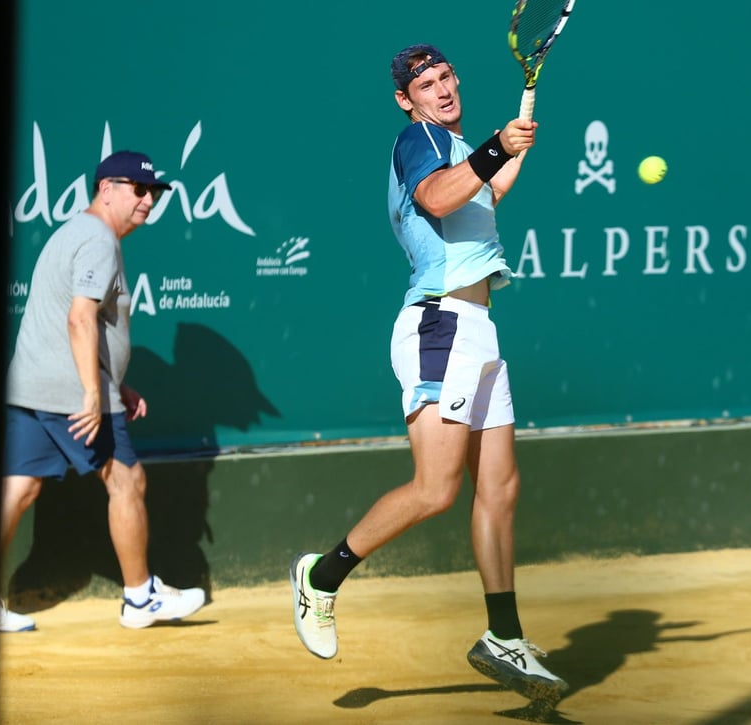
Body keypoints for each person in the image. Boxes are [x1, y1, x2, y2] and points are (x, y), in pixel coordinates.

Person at [289, 44, 568, 706]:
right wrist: (496, 148)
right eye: (425, 84)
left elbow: (489, 188)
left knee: (499, 489)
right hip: (439, 327)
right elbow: (439, 198)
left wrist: (511, 141)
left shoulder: (460, 144)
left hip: (481, 330)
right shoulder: (419, 139)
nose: (440, 90)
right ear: (405, 99)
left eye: (445, 77)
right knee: (437, 488)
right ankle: (321, 575)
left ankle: (504, 635)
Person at [0, 150, 206, 632]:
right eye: (138, 190)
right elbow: (78, 318)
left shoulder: (74, 232)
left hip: (32, 384)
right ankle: (140, 598)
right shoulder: (98, 240)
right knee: (127, 481)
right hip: (71, 392)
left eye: (152, 193)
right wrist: (94, 393)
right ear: (106, 189)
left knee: (18, 490)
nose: (148, 202)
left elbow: (58, 321)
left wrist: (118, 382)